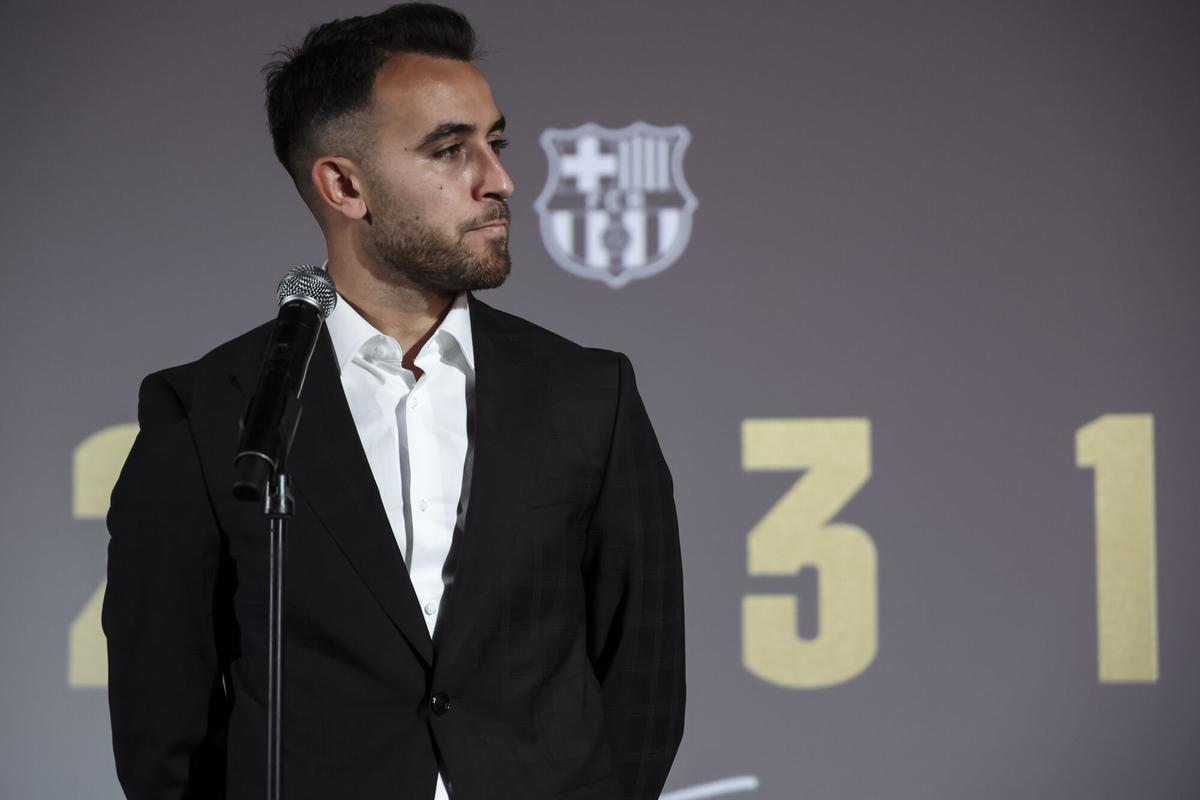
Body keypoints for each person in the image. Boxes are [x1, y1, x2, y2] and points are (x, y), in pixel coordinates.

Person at [101, 4, 685, 799]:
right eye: (450, 149)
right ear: (344, 185)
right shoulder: (209, 412)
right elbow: (163, 719)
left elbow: (643, 677)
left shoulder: (588, 391)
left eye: (496, 142)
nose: (500, 180)